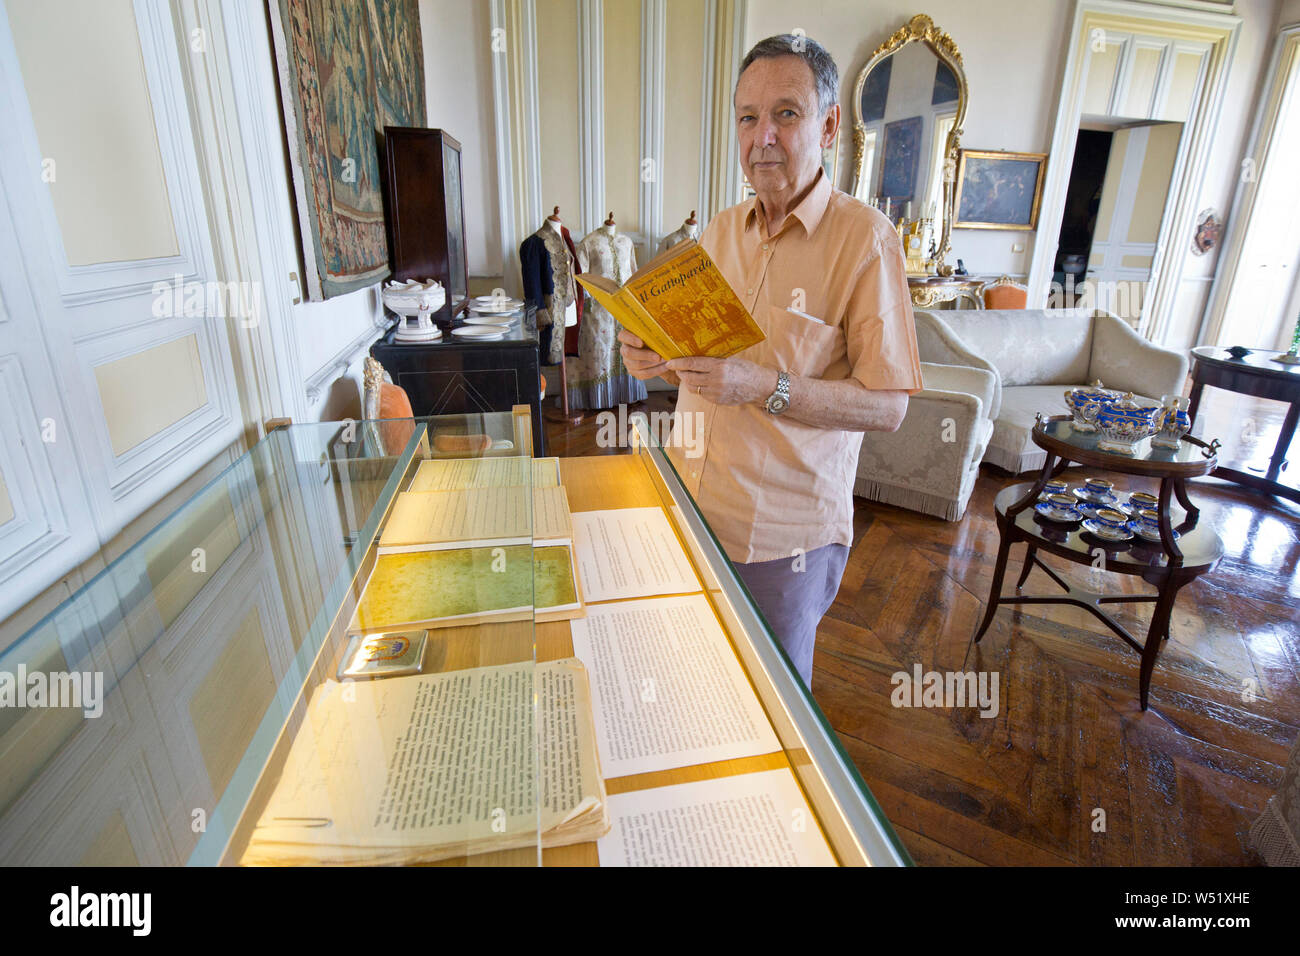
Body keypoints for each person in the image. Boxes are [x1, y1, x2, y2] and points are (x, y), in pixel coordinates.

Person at [618, 34, 923, 687]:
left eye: (786, 114)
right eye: (748, 117)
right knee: (685, 684)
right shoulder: (720, 231)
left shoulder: (867, 241)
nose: (763, 137)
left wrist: (765, 385)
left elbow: (889, 406)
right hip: (686, 504)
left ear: (830, 124)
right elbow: (697, 357)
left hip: (782, 539)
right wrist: (650, 350)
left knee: (770, 711)